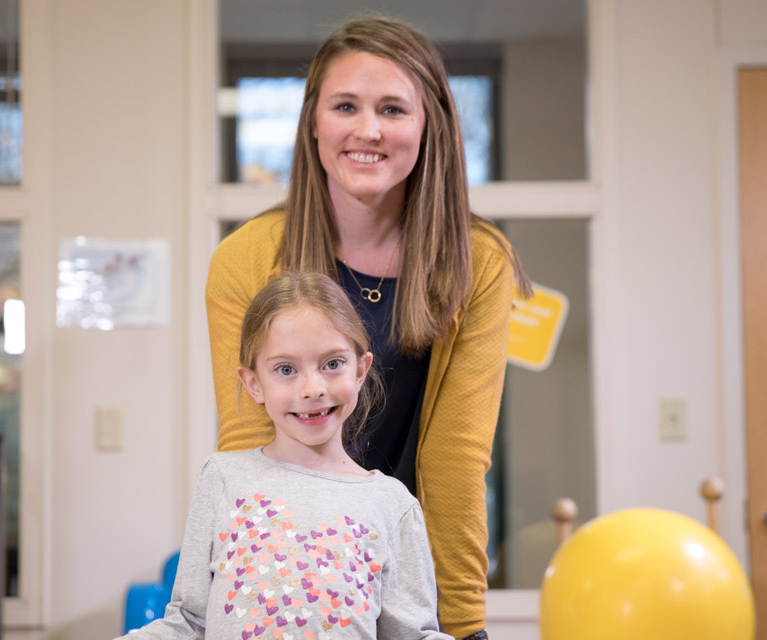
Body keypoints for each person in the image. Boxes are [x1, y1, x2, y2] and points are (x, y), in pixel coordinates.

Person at [206, 16, 530, 640]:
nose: (368, 130)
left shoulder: (478, 261)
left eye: (392, 108)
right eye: (346, 106)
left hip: (409, 578)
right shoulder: (247, 259)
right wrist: (267, 599)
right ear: (313, 122)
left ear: (429, 123)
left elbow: (456, 460)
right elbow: (251, 448)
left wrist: (463, 624)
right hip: (289, 577)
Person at [122, 272, 452, 639]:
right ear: (253, 383)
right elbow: (187, 623)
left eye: (332, 364)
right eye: (285, 369)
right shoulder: (222, 477)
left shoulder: (394, 505)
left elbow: (413, 635)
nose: (312, 389)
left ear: (360, 370)